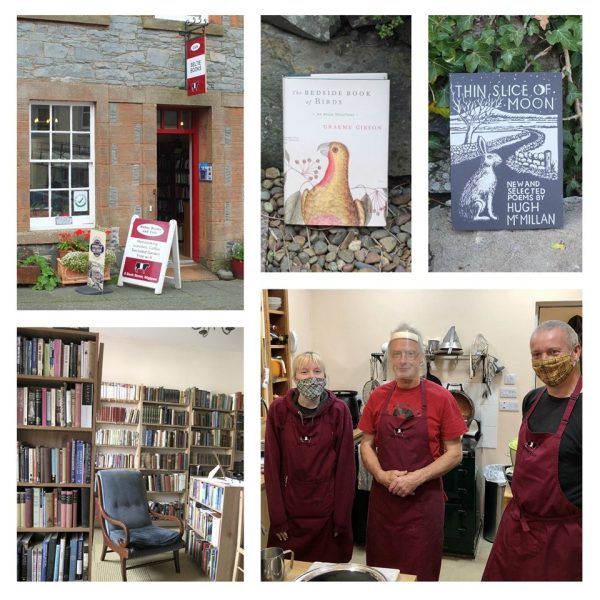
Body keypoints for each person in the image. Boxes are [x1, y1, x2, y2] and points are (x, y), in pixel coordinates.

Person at [359, 325, 467, 581]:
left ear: (421, 358)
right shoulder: (377, 397)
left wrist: (415, 478)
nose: (403, 360)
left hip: (423, 504)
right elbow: (366, 443)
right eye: (397, 354)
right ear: (390, 359)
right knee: (381, 573)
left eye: (410, 353)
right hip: (384, 503)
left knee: (420, 573)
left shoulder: (442, 398)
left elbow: (455, 453)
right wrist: (382, 476)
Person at [482, 320, 582, 581]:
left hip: (562, 537)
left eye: (553, 352)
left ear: (576, 352)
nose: (544, 361)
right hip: (517, 527)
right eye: (536, 355)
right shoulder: (532, 400)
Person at [263, 351, 355, 563]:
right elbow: (272, 467)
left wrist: (341, 519)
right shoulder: (278, 411)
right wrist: (277, 518)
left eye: (317, 371)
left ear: (325, 377)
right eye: (304, 372)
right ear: (295, 377)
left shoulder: (339, 411)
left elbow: (346, 469)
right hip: (290, 514)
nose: (311, 377)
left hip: (327, 515)